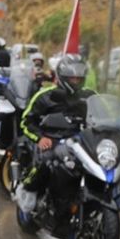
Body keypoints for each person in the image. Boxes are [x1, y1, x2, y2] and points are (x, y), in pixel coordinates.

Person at [15, 54, 95, 212]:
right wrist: (40, 138)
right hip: (53, 140)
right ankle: (28, 189)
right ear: (63, 77)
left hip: (81, 141)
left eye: (79, 78)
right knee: (47, 161)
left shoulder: (90, 96)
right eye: (73, 79)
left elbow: (103, 116)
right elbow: (26, 121)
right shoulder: (46, 96)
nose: (76, 82)